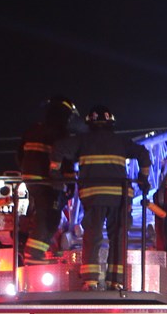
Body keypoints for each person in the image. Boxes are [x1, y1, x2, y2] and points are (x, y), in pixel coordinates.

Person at [53, 106, 153, 291]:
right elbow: (144, 154)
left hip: (93, 196)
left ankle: (90, 281)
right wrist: (143, 178)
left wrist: (55, 173)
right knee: (118, 237)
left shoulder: (82, 140)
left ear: (89, 122)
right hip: (120, 197)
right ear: (111, 122)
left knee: (92, 236)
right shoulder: (120, 141)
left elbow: (59, 148)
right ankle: (116, 281)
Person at [16, 97, 83, 263]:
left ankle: (36, 253)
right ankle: (33, 254)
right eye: (68, 116)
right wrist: (68, 184)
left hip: (31, 180)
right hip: (48, 182)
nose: (69, 120)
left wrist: (26, 173)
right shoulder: (60, 134)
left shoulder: (32, 130)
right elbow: (65, 160)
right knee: (50, 217)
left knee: (43, 215)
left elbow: (19, 155)